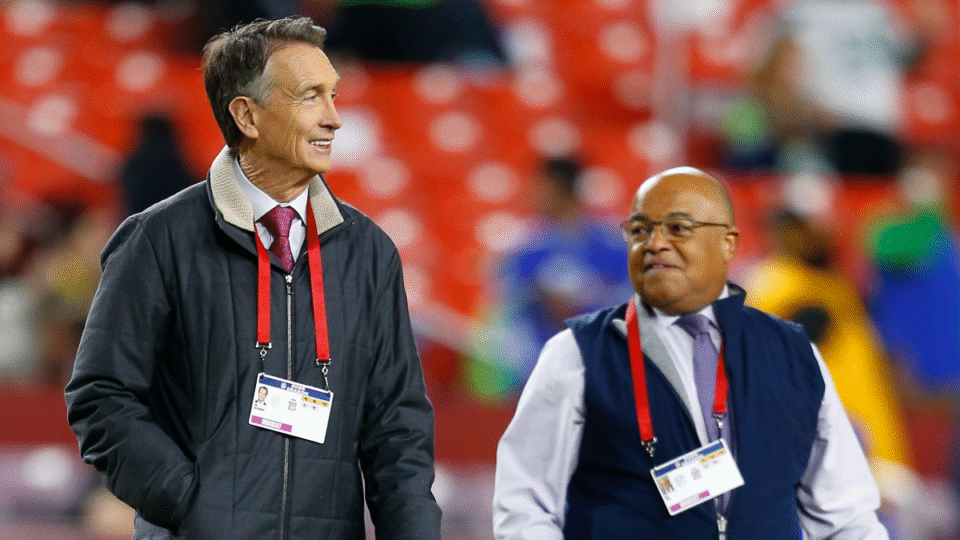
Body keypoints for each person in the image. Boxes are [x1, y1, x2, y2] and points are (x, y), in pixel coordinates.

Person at [65, 17, 441, 540]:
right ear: (247, 115)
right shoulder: (158, 240)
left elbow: (397, 427)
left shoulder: (369, 252)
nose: (334, 119)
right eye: (311, 97)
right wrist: (190, 504)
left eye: (333, 95)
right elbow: (101, 395)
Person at [493, 167, 888, 538]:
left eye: (679, 228)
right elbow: (523, 500)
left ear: (728, 242)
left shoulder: (792, 353)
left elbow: (846, 513)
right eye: (640, 230)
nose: (655, 244)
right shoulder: (576, 353)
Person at [465, 157, 631, 401]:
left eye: (540, 186)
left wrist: (586, 301)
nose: (533, 194)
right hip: (536, 359)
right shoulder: (522, 245)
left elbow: (632, 299)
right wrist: (539, 296)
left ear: (558, 187)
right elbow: (502, 303)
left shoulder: (611, 243)